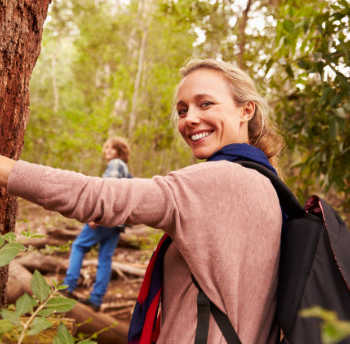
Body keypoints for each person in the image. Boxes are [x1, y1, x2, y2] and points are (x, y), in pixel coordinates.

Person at [0, 58, 284, 343]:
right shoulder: (269, 185)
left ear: (246, 110)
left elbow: (96, 197)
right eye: (182, 110)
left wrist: (6, 169)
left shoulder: (218, 179)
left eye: (205, 103)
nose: (189, 118)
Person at [61, 136, 133, 311]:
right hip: (117, 221)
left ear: (119, 152)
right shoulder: (125, 169)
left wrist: (96, 215)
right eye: (106, 148)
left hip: (105, 218)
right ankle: (96, 300)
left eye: (112, 148)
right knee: (105, 259)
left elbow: (109, 188)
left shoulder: (115, 165)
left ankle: (67, 288)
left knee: (79, 246)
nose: (107, 151)